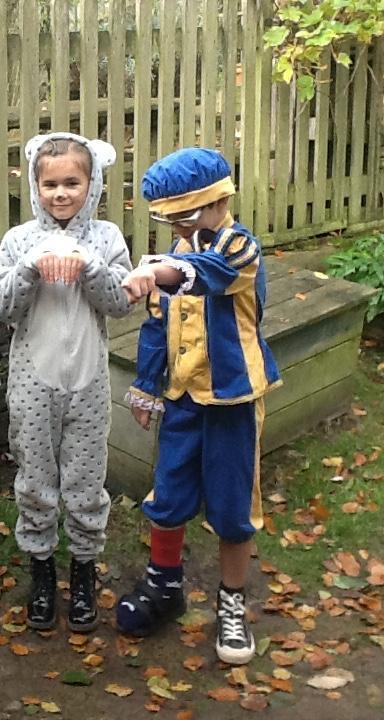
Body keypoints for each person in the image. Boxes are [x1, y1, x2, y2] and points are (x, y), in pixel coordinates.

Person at [116, 147, 281, 665]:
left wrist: (163, 269)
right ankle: (164, 585)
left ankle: (231, 602)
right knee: (167, 495)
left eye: (184, 216)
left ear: (218, 202)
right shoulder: (174, 252)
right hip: (182, 399)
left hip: (231, 400)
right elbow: (156, 324)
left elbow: (208, 273)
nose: (177, 228)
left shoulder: (239, 248)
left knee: (233, 506)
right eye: (168, 219)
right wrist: (147, 385)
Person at [0, 134, 132, 631]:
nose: (61, 193)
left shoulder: (107, 238)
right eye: (50, 184)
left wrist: (91, 267)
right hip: (33, 383)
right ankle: (42, 569)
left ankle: (84, 568)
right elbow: (2, 307)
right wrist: (30, 268)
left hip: (89, 383)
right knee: (35, 478)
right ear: (35, 185)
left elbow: (121, 302)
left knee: (86, 481)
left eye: (72, 182)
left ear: (92, 185)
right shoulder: (19, 240)